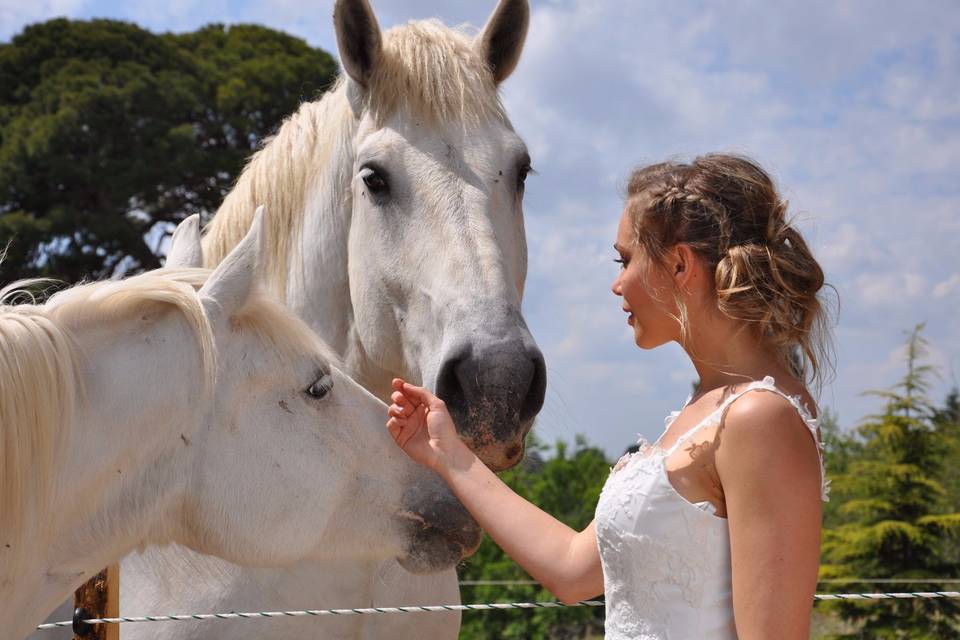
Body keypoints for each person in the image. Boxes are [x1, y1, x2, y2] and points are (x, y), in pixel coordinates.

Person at [386, 153, 832, 639]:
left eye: (626, 260)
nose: (617, 284)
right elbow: (571, 570)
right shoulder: (705, 412)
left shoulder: (759, 418)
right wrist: (449, 455)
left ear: (680, 264)